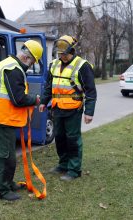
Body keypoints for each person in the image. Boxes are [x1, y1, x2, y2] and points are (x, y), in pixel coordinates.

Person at [0, 40, 43, 201]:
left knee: (8, 155)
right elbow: (18, 99)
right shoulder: (14, 70)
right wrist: (35, 99)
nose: (30, 66)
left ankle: (8, 183)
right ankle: (1, 191)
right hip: (2, 120)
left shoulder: (6, 63)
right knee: (4, 156)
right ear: (27, 58)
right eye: (32, 63)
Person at [39, 35, 97, 181]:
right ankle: (63, 164)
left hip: (73, 110)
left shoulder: (82, 66)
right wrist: (43, 102)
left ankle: (74, 169)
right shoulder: (53, 65)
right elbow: (48, 86)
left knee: (72, 139)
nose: (63, 57)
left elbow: (90, 91)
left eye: (65, 54)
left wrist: (89, 112)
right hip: (57, 109)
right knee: (59, 138)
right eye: (60, 54)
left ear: (72, 50)